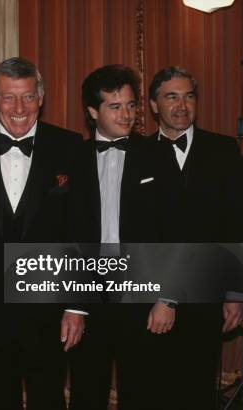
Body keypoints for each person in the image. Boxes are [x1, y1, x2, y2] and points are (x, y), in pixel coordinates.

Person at [0, 57, 84, 410]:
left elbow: (81, 226)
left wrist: (76, 306)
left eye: (27, 97)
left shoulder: (70, 146)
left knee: (49, 397)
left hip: (49, 306)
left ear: (41, 98)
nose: (19, 108)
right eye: (8, 98)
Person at [68, 64, 179, 410]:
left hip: (143, 293)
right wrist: (71, 305)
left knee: (143, 391)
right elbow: (64, 232)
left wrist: (169, 299)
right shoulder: (72, 159)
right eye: (115, 106)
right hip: (88, 293)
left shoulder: (158, 154)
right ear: (92, 111)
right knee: (87, 390)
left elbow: (175, 231)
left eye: (131, 105)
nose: (127, 114)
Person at [147, 66, 243, 410]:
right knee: (156, 387)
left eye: (189, 96)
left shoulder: (223, 150)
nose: (181, 105)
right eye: (171, 96)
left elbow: (237, 222)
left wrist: (237, 292)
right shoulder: (136, 154)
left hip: (208, 294)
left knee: (200, 388)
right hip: (151, 295)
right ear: (153, 104)